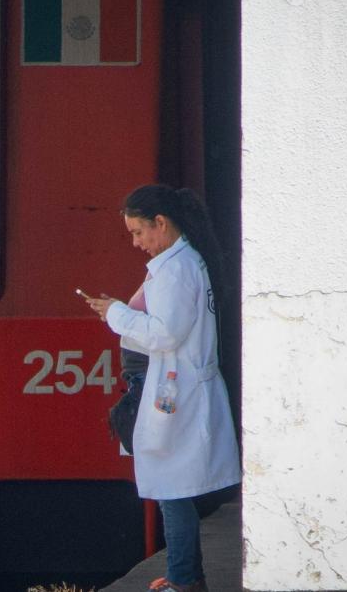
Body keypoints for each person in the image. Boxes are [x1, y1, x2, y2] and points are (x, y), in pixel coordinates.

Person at [84, 184, 240, 592]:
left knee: (172, 488)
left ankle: (184, 579)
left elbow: (166, 334)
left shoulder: (176, 270)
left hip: (177, 392)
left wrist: (115, 313)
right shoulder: (185, 263)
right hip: (181, 387)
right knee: (176, 486)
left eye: (138, 232)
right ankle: (185, 574)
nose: (136, 243)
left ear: (161, 223)